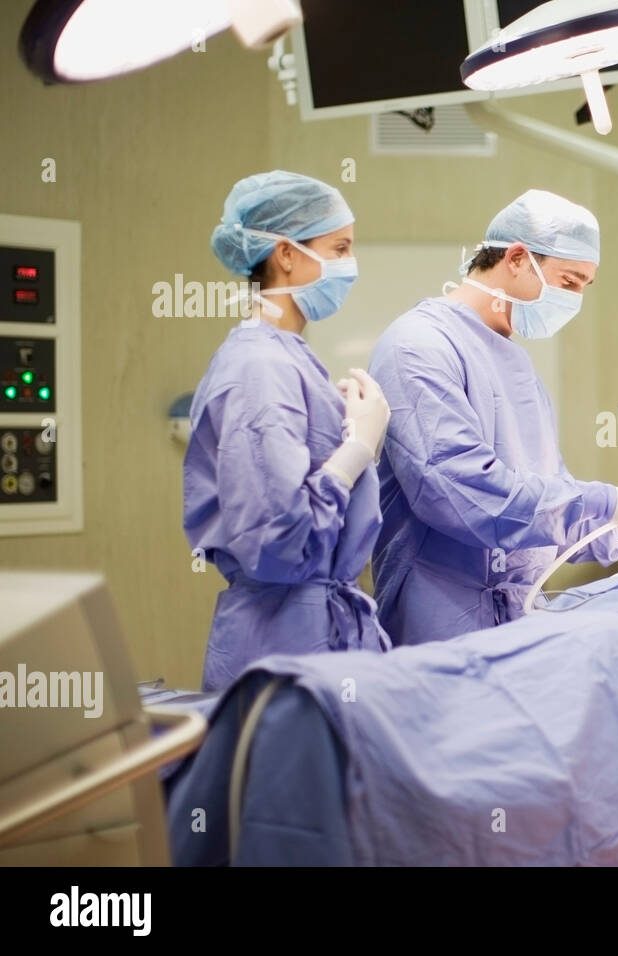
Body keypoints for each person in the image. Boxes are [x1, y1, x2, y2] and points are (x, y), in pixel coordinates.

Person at [368, 189, 618, 645]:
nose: (577, 299)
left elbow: (543, 495)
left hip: (517, 618)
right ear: (519, 258)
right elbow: (462, 492)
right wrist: (605, 502)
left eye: (586, 286)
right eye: (569, 281)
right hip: (439, 621)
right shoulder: (418, 345)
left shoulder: (518, 366)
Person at [185, 170, 392, 692]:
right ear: (285, 253)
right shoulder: (260, 367)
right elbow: (279, 539)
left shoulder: (286, 358)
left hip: (307, 628)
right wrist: (357, 448)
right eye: (339, 247)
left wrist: (343, 430)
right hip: (284, 638)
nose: (350, 265)